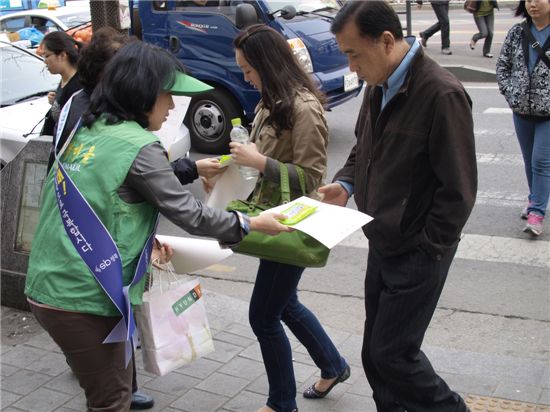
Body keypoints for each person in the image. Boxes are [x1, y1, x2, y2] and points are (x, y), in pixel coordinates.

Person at [25, 41, 290, 412]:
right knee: (111, 399)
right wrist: (251, 222)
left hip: (51, 283)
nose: (171, 108)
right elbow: (191, 214)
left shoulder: (88, 129)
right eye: (168, 95)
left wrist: (143, 244)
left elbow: (104, 204)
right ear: (143, 92)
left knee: (113, 390)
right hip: (84, 296)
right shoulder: (139, 145)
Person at [323, 2, 476, 411]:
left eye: (354, 53)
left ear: (386, 41)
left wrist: (429, 247)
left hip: (417, 251)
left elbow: (458, 190)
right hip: (382, 238)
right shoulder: (380, 83)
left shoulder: (441, 93)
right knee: (375, 355)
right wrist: (345, 183)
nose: (351, 66)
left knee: (393, 354)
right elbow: (363, 147)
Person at [230, 24, 349, 412]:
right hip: (272, 219)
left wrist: (260, 161)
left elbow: (312, 179)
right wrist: (224, 164)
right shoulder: (271, 99)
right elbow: (258, 158)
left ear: (268, 63)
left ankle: (282, 403)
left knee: (263, 316)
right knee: (285, 304)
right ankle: (333, 365)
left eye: (249, 69)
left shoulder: (303, 107)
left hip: (293, 222)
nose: (245, 77)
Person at [496, 0, 550, 236]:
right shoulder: (517, 32)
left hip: (549, 113)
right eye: (528, 0)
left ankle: (537, 212)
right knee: (529, 161)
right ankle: (534, 199)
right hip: (522, 110)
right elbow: (502, 66)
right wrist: (512, 93)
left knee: (540, 160)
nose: (533, 4)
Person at [39, 31, 82, 146]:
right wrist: (55, 102)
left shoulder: (78, 86)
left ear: (62, 55)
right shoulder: (64, 79)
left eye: (47, 56)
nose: (45, 61)